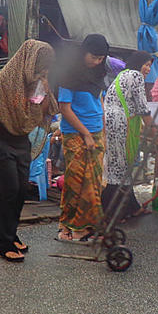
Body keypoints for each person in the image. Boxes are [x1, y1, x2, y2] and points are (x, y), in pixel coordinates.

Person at [0, 39, 56, 262]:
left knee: (21, 190)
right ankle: (4, 243)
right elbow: (17, 111)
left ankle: (12, 232)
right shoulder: (4, 80)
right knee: (9, 190)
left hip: (21, 141)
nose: (42, 71)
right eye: (40, 66)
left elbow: (38, 111)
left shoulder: (36, 82)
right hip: (1, 140)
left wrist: (45, 90)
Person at [53, 34, 109, 244]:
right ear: (83, 52)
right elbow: (64, 108)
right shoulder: (70, 74)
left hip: (96, 133)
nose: (96, 62)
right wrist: (85, 134)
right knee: (76, 182)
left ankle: (88, 226)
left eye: (101, 58)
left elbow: (99, 101)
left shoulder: (97, 73)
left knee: (93, 182)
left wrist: (101, 130)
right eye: (93, 57)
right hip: (76, 134)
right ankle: (69, 229)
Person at [102, 50, 154, 221]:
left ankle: (131, 207)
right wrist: (154, 130)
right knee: (121, 167)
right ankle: (113, 212)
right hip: (120, 124)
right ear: (138, 63)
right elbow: (142, 107)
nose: (147, 69)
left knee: (118, 165)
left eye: (149, 66)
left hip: (111, 122)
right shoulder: (136, 76)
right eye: (146, 64)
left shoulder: (123, 75)